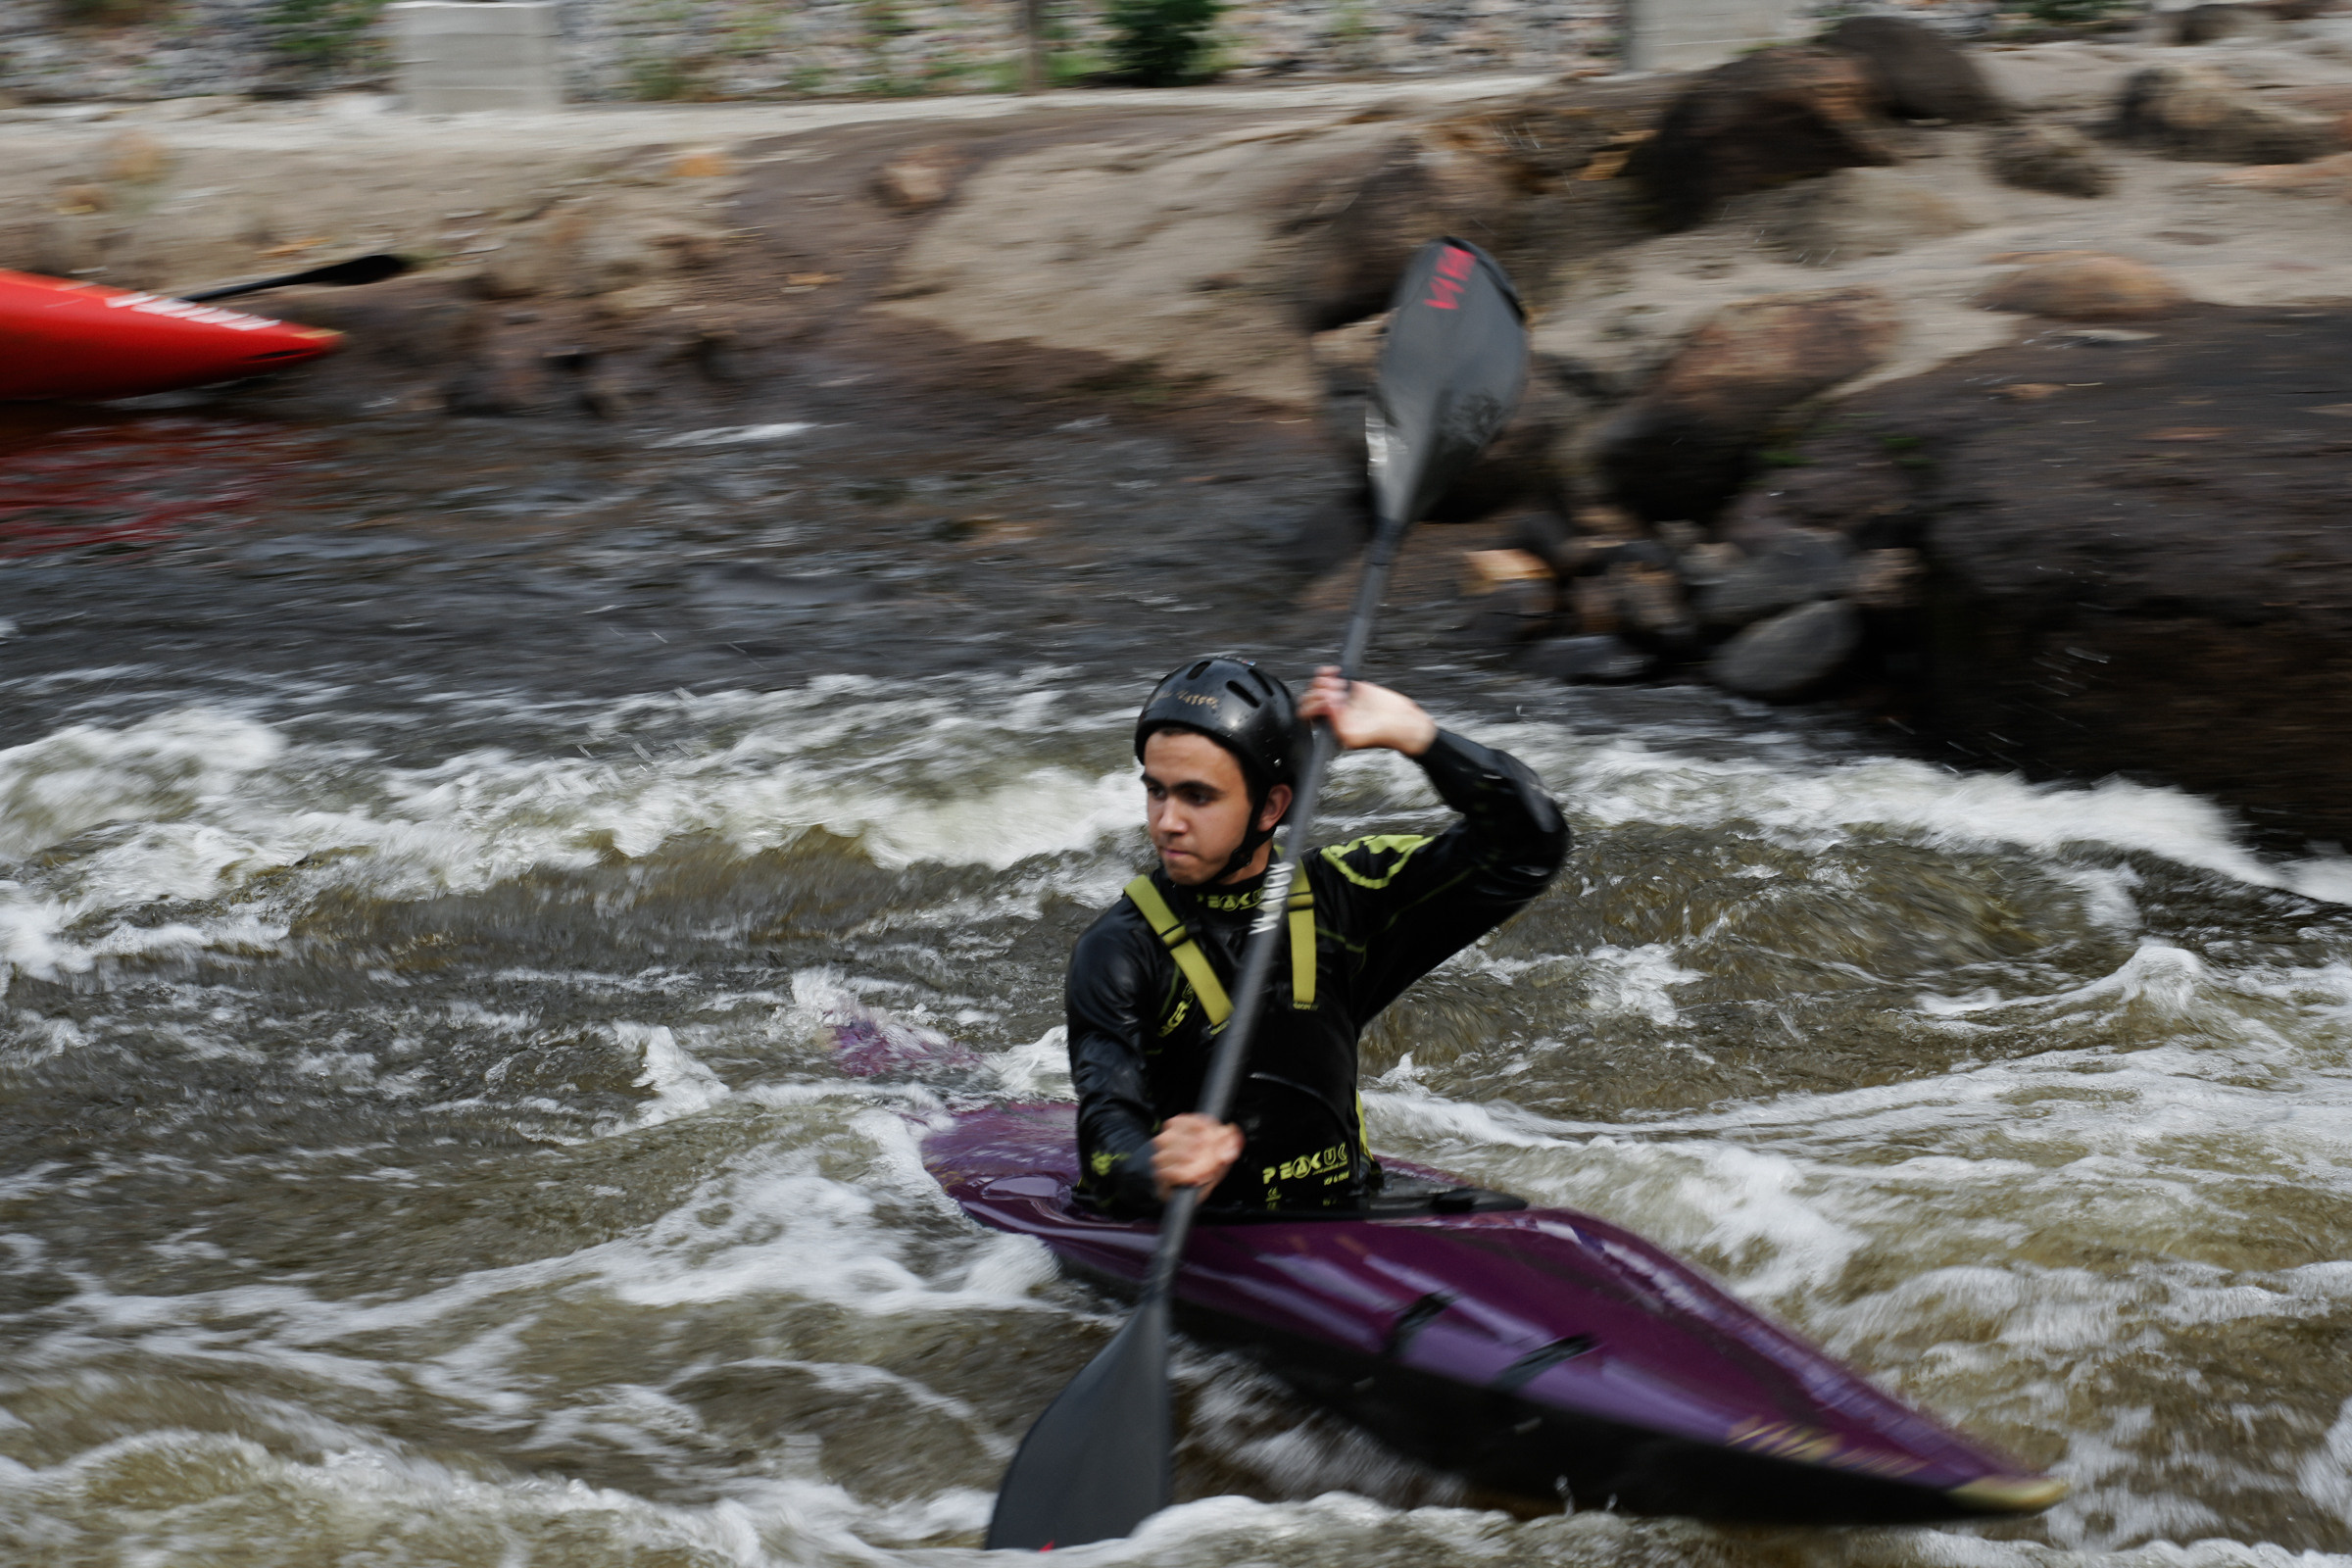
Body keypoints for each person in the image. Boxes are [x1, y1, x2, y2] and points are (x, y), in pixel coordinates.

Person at [1065, 655, 1569, 1214]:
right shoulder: (1119, 951)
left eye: (1197, 796)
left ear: (1271, 806)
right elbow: (1106, 1130)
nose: (1166, 822)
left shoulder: (1347, 895)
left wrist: (1419, 737)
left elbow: (1530, 846)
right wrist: (1150, 1167)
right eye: (1156, 791)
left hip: (1341, 1204)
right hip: (1192, 1222)